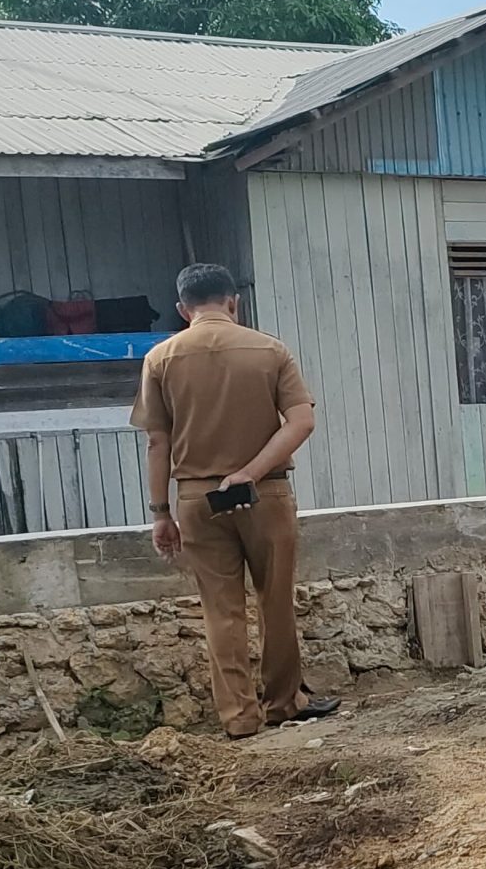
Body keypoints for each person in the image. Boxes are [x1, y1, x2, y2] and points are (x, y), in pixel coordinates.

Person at [133, 264, 338, 738]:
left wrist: (161, 513)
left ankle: (240, 719)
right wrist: (250, 471)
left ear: (184, 310)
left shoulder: (160, 358)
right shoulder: (270, 351)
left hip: (195, 499)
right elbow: (301, 422)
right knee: (275, 599)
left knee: (220, 610)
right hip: (264, 494)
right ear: (233, 302)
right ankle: (284, 703)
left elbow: (156, 442)